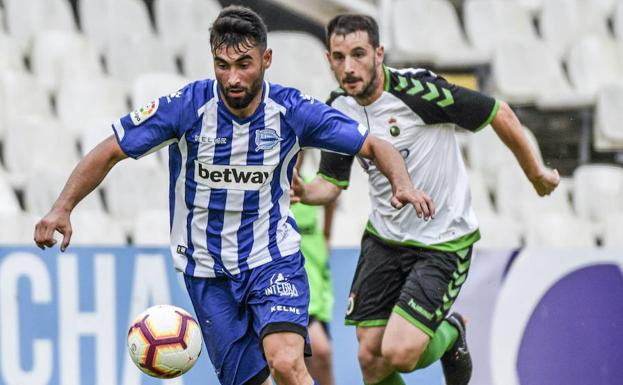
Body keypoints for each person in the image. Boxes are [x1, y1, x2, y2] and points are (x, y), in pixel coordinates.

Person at [33, 6, 435, 385]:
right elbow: (110, 150)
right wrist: (62, 208)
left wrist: (402, 184)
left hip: (271, 257)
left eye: (244, 64)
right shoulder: (186, 107)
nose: (233, 78)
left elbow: (373, 144)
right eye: (222, 65)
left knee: (287, 363)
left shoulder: (292, 110)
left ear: (267, 59)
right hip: (206, 271)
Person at [291, 14, 560, 385]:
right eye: (339, 57)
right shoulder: (338, 108)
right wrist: (305, 192)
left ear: (379, 53)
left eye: (358, 54)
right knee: (370, 357)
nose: (349, 68)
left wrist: (536, 173)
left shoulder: (421, 91)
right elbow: (332, 183)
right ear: (329, 60)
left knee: (399, 354)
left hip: (442, 242)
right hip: (385, 240)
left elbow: (498, 112)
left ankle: (450, 335)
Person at [292, 152, 336, 385]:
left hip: (316, 290)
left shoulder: (307, 188)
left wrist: (327, 234)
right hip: (287, 289)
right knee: (317, 352)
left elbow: (332, 195)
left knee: (316, 358)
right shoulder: (266, 191)